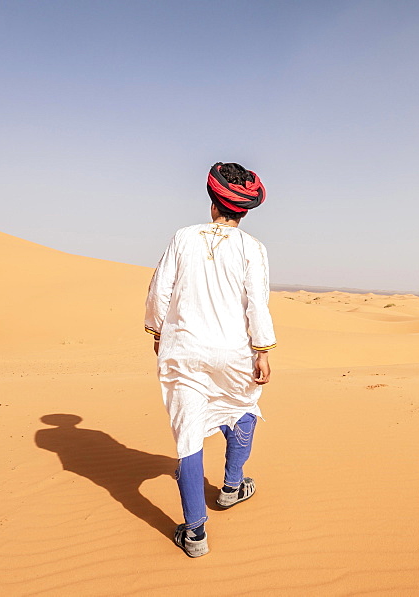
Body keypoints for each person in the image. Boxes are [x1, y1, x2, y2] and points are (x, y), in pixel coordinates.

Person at [144, 162, 276, 558]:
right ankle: (233, 486)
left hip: (183, 349)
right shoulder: (253, 248)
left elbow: (158, 291)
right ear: (246, 209)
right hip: (233, 353)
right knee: (243, 406)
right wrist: (263, 350)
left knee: (187, 435)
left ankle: (196, 532)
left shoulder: (183, 238)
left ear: (211, 199)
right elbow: (258, 303)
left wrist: (156, 332)